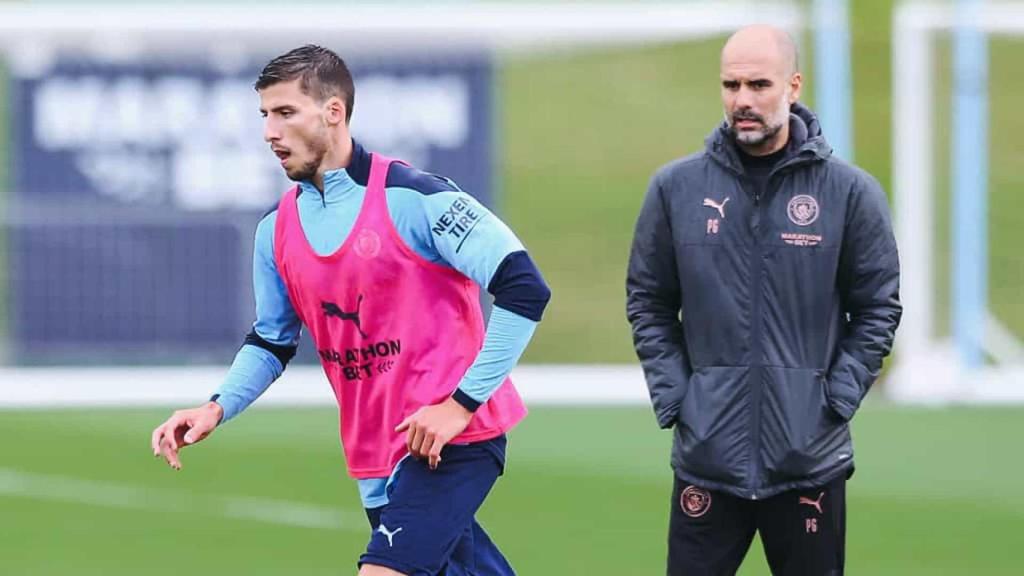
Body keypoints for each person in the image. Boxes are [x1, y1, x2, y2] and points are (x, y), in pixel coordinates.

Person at [150, 45, 550, 576]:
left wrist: (459, 405)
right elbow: (271, 341)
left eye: (286, 112)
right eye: (265, 115)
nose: (270, 131)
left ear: (333, 112)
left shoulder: (416, 197)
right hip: (373, 452)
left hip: (451, 437)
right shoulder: (276, 231)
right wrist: (215, 407)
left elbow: (525, 287)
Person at [626, 25, 901, 575]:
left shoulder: (850, 193)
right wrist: (682, 399)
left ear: (793, 86)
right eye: (731, 85)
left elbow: (878, 309)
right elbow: (648, 302)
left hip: (808, 462)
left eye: (758, 84)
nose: (742, 100)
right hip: (708, 461)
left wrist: (833, 401)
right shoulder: (674, 189)